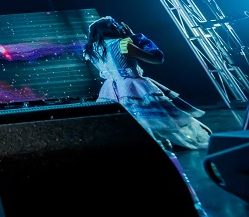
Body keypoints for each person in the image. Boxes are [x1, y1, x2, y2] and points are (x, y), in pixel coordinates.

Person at [83, 16, 211, 150]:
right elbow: (157, 58)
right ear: (108, 29)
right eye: (114, 24)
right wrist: (135, 36)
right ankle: (160, 143)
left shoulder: (91, 50)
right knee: (153, 118)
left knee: (128, 119)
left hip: (110, 89)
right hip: (134, 86)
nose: (119, 26)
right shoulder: (122, 43)